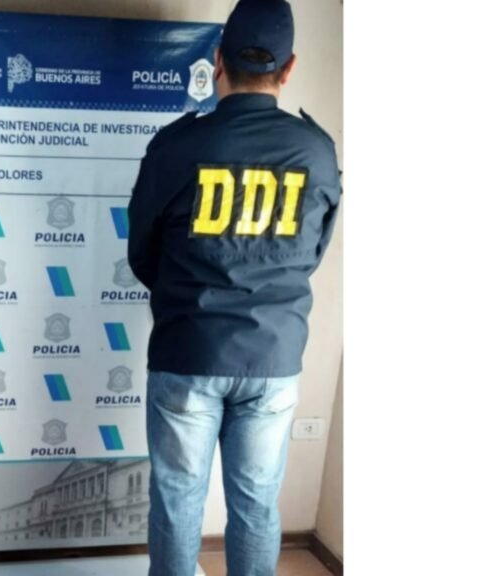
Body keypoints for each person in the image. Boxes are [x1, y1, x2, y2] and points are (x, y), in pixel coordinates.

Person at [127, 1, 341, 574]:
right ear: (288, 68)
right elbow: (312, 255)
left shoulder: (176, 146)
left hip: (188, 350)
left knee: (177, 505)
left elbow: (142, 253)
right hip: (273, 355)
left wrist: (186, 297)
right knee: (256, 506)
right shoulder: (317, 151)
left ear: (217, 60)